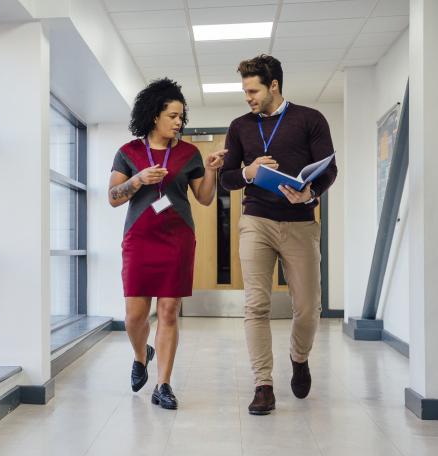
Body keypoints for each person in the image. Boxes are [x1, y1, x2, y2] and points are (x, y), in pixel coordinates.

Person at [219, 54, 338, 415]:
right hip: (256, 220)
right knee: (256, 305)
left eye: (253, 90)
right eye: (244, 91)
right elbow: (227, 177)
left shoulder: (310, 119)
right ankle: (263, 384)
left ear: (274, 86)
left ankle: (299, 357)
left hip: (300, 222)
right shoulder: (240, 125)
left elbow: (329, 170)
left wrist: (310, 193)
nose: (248, 97)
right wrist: (249, 173)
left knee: (307, 308)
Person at [109, 78, 226, 409]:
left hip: (177, 239)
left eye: (181, 116)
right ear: (154, 115)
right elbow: (113, 198)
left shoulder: (189, 153)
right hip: (139, 239)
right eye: (173, 116)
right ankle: (140, 354)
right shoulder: (128, 152)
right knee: (134, 315)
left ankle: (163, 384)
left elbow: (203, 199)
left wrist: (212, 171)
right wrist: (137, 180)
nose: (178, 122)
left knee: (169, 311)